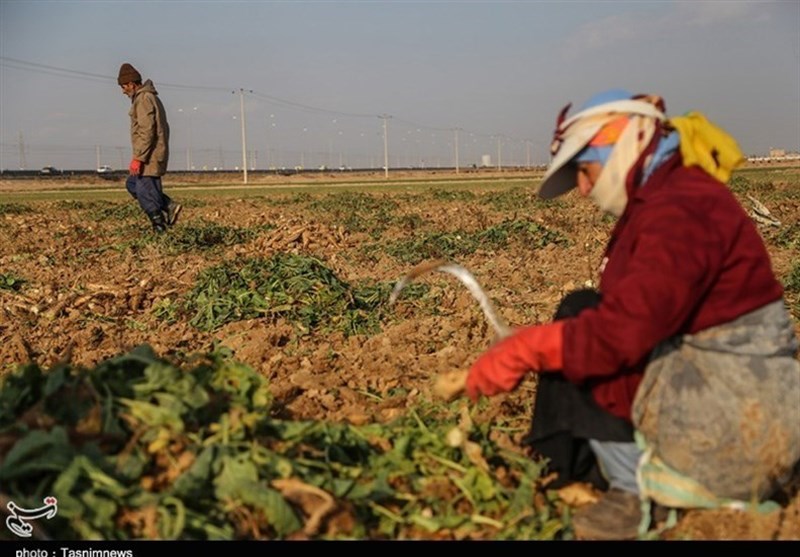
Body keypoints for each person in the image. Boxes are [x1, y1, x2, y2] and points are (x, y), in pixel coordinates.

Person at [465, 89, 800, 540]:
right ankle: (571, 476)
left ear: (622, 145)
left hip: (734, 430)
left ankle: (637, 494)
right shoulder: (662, 198)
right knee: (579, 317)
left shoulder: (680, 208)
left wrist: (529, 348)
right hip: (727, 406)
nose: (582, 190)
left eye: (584, 171)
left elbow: (624, 333)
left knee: (582, 330)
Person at [118, 62, 181, 232]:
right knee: (132, 184)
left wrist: (138, 158)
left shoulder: (144, 99)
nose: (123, 90)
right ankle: (168, 205)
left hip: (149, 156)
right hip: (150, 154)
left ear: (132, 84)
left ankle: (159, 229)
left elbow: (147, 130)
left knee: (145, 192)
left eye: (124, 86)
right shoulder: (145, 98)